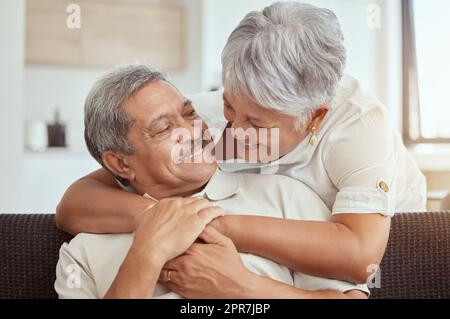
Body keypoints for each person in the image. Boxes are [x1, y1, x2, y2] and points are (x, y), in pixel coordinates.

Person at [56, 2, 426, 294]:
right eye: (231, 107)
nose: (232, 130)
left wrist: (202, 223)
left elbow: (358, 256)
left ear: (313, 118)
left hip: (385, 234)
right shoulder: (205, 116)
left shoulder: (357, 130)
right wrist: (159, 225)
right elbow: (79, 200)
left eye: (258, 124)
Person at [55, 65, 367, 298]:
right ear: (120, 163)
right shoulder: (82, 252)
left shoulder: (286, 197)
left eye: (190, 113)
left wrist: (244, 288)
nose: (192, 132)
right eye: (164, 129)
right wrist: (146, 254)